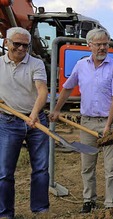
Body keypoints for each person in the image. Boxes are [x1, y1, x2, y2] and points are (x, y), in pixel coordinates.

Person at [50, 28, 113, 213]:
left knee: (111, 167)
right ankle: (88, 200)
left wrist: (108, 126)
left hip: (111, 123)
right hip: (87, 123)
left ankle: (110, 203)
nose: (103, 48)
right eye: (99, 44)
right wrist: (57, 109)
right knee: (87, 165)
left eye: (106, 44)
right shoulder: (81, 65)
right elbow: (68, 88)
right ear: (89, 45)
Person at [0, 27, 49, 218]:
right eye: (16, 44)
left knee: (41, 169)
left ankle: (40, 210)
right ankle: (5, 213)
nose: (21, 48)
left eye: (25, 46)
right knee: (4, 171)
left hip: (36, 121)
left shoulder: (36, 64)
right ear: (6, 43)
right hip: (8, 122)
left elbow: (42, 91)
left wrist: (34, 114)